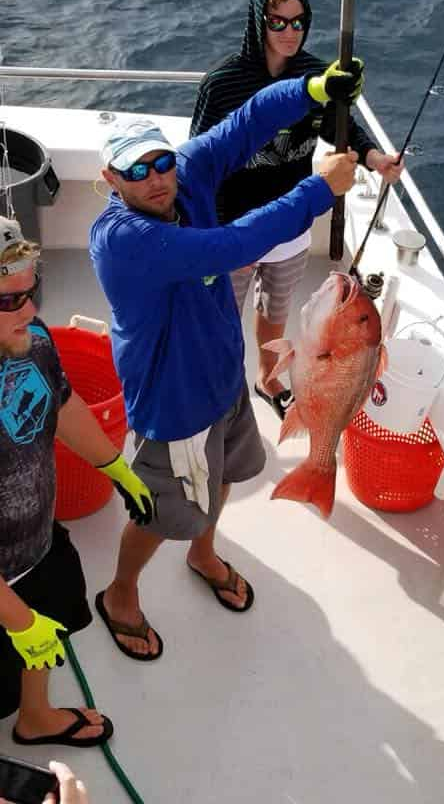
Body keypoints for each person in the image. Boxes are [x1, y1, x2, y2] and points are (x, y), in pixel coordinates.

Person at [89, 62, 361, 660]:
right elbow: (232, 245)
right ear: (111, 178)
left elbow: (246, 122)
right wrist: (319, 190)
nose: (157, 179)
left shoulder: (184, 178)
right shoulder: (124, 240)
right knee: (164, 512)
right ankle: (121, 594)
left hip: (224, 378)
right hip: (175, 405)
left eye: (161, 162)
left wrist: (315, 89)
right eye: (137, 171)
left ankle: (203, 553)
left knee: (231, 473)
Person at [190, 0, 404, 420]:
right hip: (237, 230)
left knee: (275, 311)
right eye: (278, 22)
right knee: (220, 320)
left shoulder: (318, 76)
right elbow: (200, 165)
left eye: (299, 21)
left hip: (291, 226)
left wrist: (374, 157)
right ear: (257, 22)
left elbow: (339, 125)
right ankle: (217, 392)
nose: (290, 32)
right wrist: (218, 233)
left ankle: (267, 379)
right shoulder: (222, 84)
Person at [0, 217, 154, 747]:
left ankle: (35, 716)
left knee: (50, 626)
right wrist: (17, 620)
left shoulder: (33, 338)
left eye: (31, 291)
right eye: (8, 301)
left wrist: (115, 465)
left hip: (37, 544)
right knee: (24, 643)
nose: (31, 310)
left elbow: (61, 405)